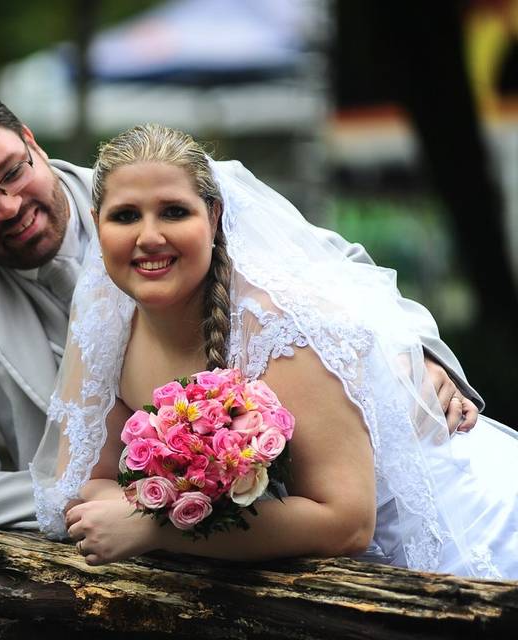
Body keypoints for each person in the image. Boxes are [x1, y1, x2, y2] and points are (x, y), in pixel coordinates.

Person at [0, 83, 480, 531]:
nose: (8, 206)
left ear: (31, 141)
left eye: (12, 173)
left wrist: (418, 355)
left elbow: (341, 272)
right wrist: (103, 495)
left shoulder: (160, 184)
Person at [31, 124, 518, 579]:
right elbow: (84, 483)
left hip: (459, 538)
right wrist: (165, 505)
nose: (150, 236)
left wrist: (157, 527)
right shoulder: (104, 317)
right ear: (97, 225)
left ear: (214, 215)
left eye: (174, 211)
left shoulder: (282, 327)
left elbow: (346, 522)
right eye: (125, 216)